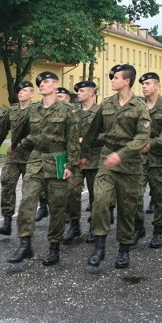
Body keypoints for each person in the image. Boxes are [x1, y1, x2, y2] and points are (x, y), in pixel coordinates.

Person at [82, 64, 151, 269]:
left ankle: (124, 250)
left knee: (127, 209)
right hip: (107, 161)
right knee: (101, 201)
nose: (112, 81)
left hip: (130, 164)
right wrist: (83, 155)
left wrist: (121, 155)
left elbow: (142, 137)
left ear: (127, 81)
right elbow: (92, 131)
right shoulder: (107, 104)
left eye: (116, 78)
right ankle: (99, 247)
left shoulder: (139, 107)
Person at [8, 71, 79, 265]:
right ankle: (25, 244)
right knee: (27, 200)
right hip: (36, 159)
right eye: (40, 82)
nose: (42, 84)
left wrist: (70, 165)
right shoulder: (34, 110)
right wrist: (19, 146)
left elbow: (72, 141)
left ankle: (54, 246)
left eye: (46, 81)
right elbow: (32, 135)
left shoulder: (67, 109)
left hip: (58, 159)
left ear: (55, 85)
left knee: (56, 206)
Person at [134, 72, 162, 249]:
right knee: (134, 195)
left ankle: (158, 230)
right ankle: (138, 227)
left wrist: (152, 143)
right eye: (143, 84)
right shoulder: (136, 105)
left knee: (161, 196)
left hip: (159, 159)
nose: (144, 86)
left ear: (157, 85)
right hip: (138, 159)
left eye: (148, 84)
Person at [0, 80, 35, 235]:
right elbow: (3, 129)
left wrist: (21, 143)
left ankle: (30, 220)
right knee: (7, 184)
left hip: (32, 157)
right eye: (19, 90)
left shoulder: (36, 110)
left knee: (30, 191)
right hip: (13, 157)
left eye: (24, 90)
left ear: (31, 94)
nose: (21, 92)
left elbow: (38, 132)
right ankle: (7, 221)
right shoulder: (12, 110)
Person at [63, 80, 101, 244]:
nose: (78, 93)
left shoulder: (101, 112)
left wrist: (86, 140)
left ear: (92, 93)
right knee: (71, 191)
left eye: (82, 91)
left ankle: (94, 226)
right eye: (77, 91)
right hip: (76, 160)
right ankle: (74, 225)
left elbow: (109, 134)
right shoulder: (73, 113)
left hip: (95, 159)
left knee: (96, 196)